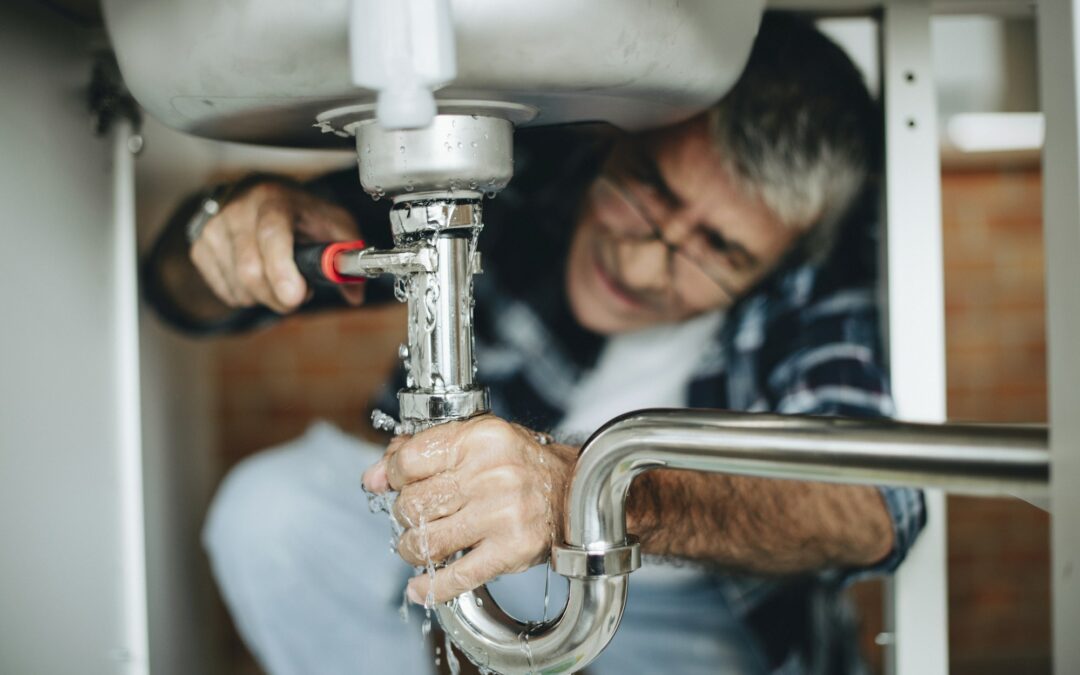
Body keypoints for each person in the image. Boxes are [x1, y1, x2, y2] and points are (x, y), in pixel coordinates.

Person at [148, 13, 925, 675]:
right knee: (270, 514)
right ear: (619, 140)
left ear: (778, 261)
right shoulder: (530, 168)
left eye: (719, 251)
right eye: (648, 187)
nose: (644, 261)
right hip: (472, 566)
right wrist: (232, 223)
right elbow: (184, 297)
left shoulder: (821, 273)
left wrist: (588, 495)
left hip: (694, 619)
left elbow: (870, 508)